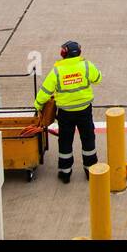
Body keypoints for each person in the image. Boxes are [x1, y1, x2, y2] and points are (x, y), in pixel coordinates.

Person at [35, 41, 103, 183]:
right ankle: (90, 170)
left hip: (65, 113)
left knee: (65, 141)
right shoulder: (86, 66)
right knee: (88, 138)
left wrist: (38, 105)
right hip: (84, 111)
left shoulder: (57, 71)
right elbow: (98, 78)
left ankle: (65, 173)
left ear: (63, 54)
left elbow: (45, 92)